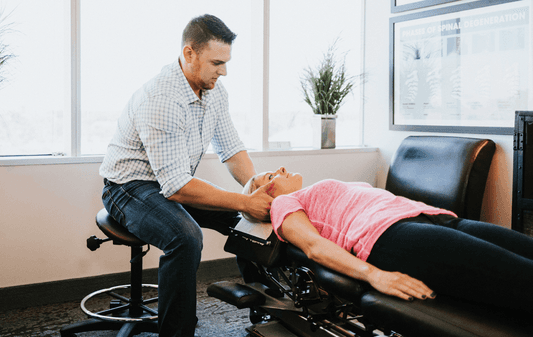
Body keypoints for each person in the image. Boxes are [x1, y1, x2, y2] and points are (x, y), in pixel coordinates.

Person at [100, 14, 273, 337]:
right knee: (186, 236)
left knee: (249, 219)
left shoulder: (214, 92)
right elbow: (177, 186)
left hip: (171, 181)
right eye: (217, 62)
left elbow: (232, 150)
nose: (223, 71)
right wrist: (246, 201)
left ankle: (267, 309)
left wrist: (255, 189)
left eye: (226, 62)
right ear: (189, 53)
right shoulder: (162, 99)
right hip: (128, 188)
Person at [241, 167, 533, 313]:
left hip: (431, 216)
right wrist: (374, 275)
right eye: (269, 176)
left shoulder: (314, 189)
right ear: (264, 196)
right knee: (520, 277)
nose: (280, 170)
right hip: (392, 236)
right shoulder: (283, 205)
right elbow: (314, 248)